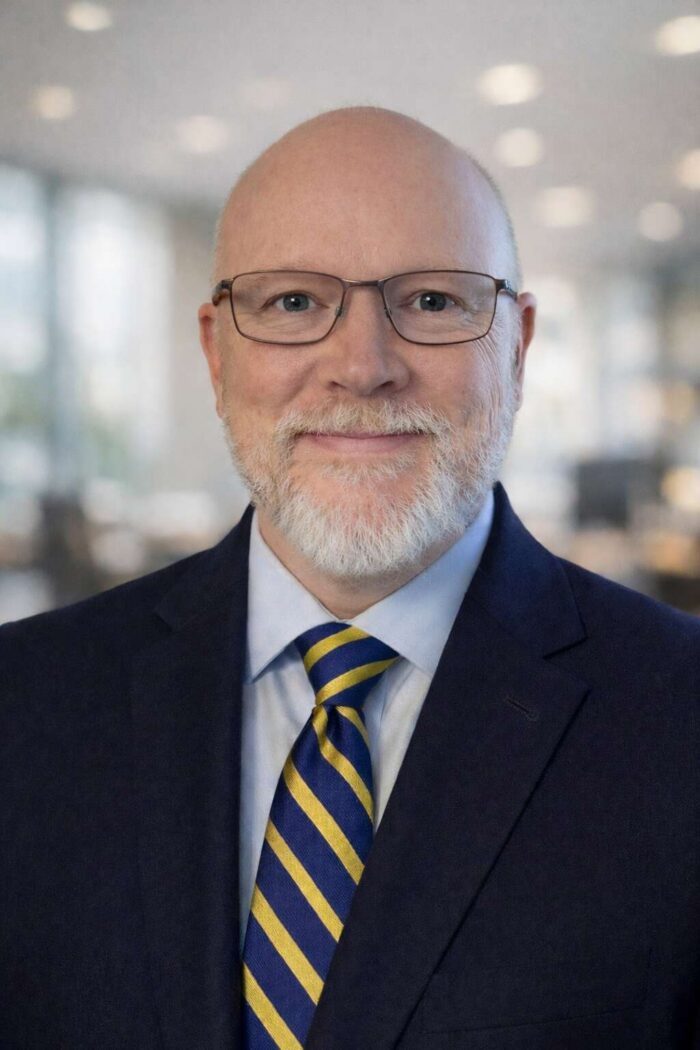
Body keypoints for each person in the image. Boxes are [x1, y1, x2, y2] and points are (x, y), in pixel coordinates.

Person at [1, 106, 698, 1050]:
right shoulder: (23, 703)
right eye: (292, 302)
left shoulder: (679, 712)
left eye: (433, 302)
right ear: (217, 353)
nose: (363, 367)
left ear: (518, 348)